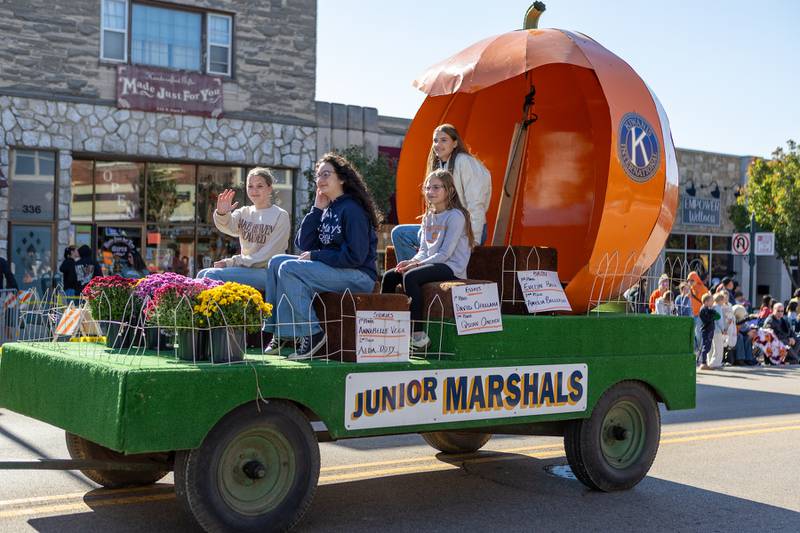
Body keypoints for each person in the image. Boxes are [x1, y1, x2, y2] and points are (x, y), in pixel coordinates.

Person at [263, 153, 380, 359]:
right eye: (318, 176)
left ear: (342, 178)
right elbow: (303, 244)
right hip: (337, 270)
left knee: (289, 269)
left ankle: (313, 334)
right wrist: (316, 210)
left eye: (326, 174)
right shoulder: (328, 208)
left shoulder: (352, 210)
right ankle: (281, 332)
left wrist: (317, 256)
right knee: (276, 262)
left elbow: (356, 256)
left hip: (359, 275)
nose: (321, 180)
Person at [382, 169, 473, 349]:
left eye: (436, 187)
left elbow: (445, 254)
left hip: (451, 268)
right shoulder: (428, 217)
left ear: (450, 191)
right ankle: (386, 328)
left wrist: (416, 265)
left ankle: (418, 335)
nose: (430, 191)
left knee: (411, 276)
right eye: (428, 187)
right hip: (433, 263)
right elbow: (424, 250)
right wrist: (410, 262)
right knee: (390, 276)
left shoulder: (455, 216)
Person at [391, 124, 491, 261]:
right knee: (400, 234)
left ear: (455, 143)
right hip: (441, 228)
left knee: (402, 234)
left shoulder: (464, 162)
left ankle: (423, 274)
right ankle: (414, 274)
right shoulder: (439, 167)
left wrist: (472, 240)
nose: (438, 144)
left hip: (466, 229)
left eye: (444, 140)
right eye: (435, 140)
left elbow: (476, 203)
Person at [196, 168, 290, 293]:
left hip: (268, 273)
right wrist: (222, 213)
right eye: (250, 186)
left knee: (212, 275)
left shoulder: (280, 215)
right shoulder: (244, 212)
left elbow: (267, 257)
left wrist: (231, 262)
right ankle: (201, 312)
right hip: (246, 268)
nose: (254, 191)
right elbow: (227, 226)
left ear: (269, 188)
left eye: (259, 186)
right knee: (202, 274)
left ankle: (215, 312)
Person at [697, 293, 718, 370]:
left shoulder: (708, 309)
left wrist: (713, 313)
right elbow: (705, 320)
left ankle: (703, 362)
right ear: (706, 302)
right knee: (705, 347)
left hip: (710, 329)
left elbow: (715, 317)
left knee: (708, 346)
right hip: (706, 330)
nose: (712, 302)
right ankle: (703, 363)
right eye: (711, 301)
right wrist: (711, 316)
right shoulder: (703, 310)